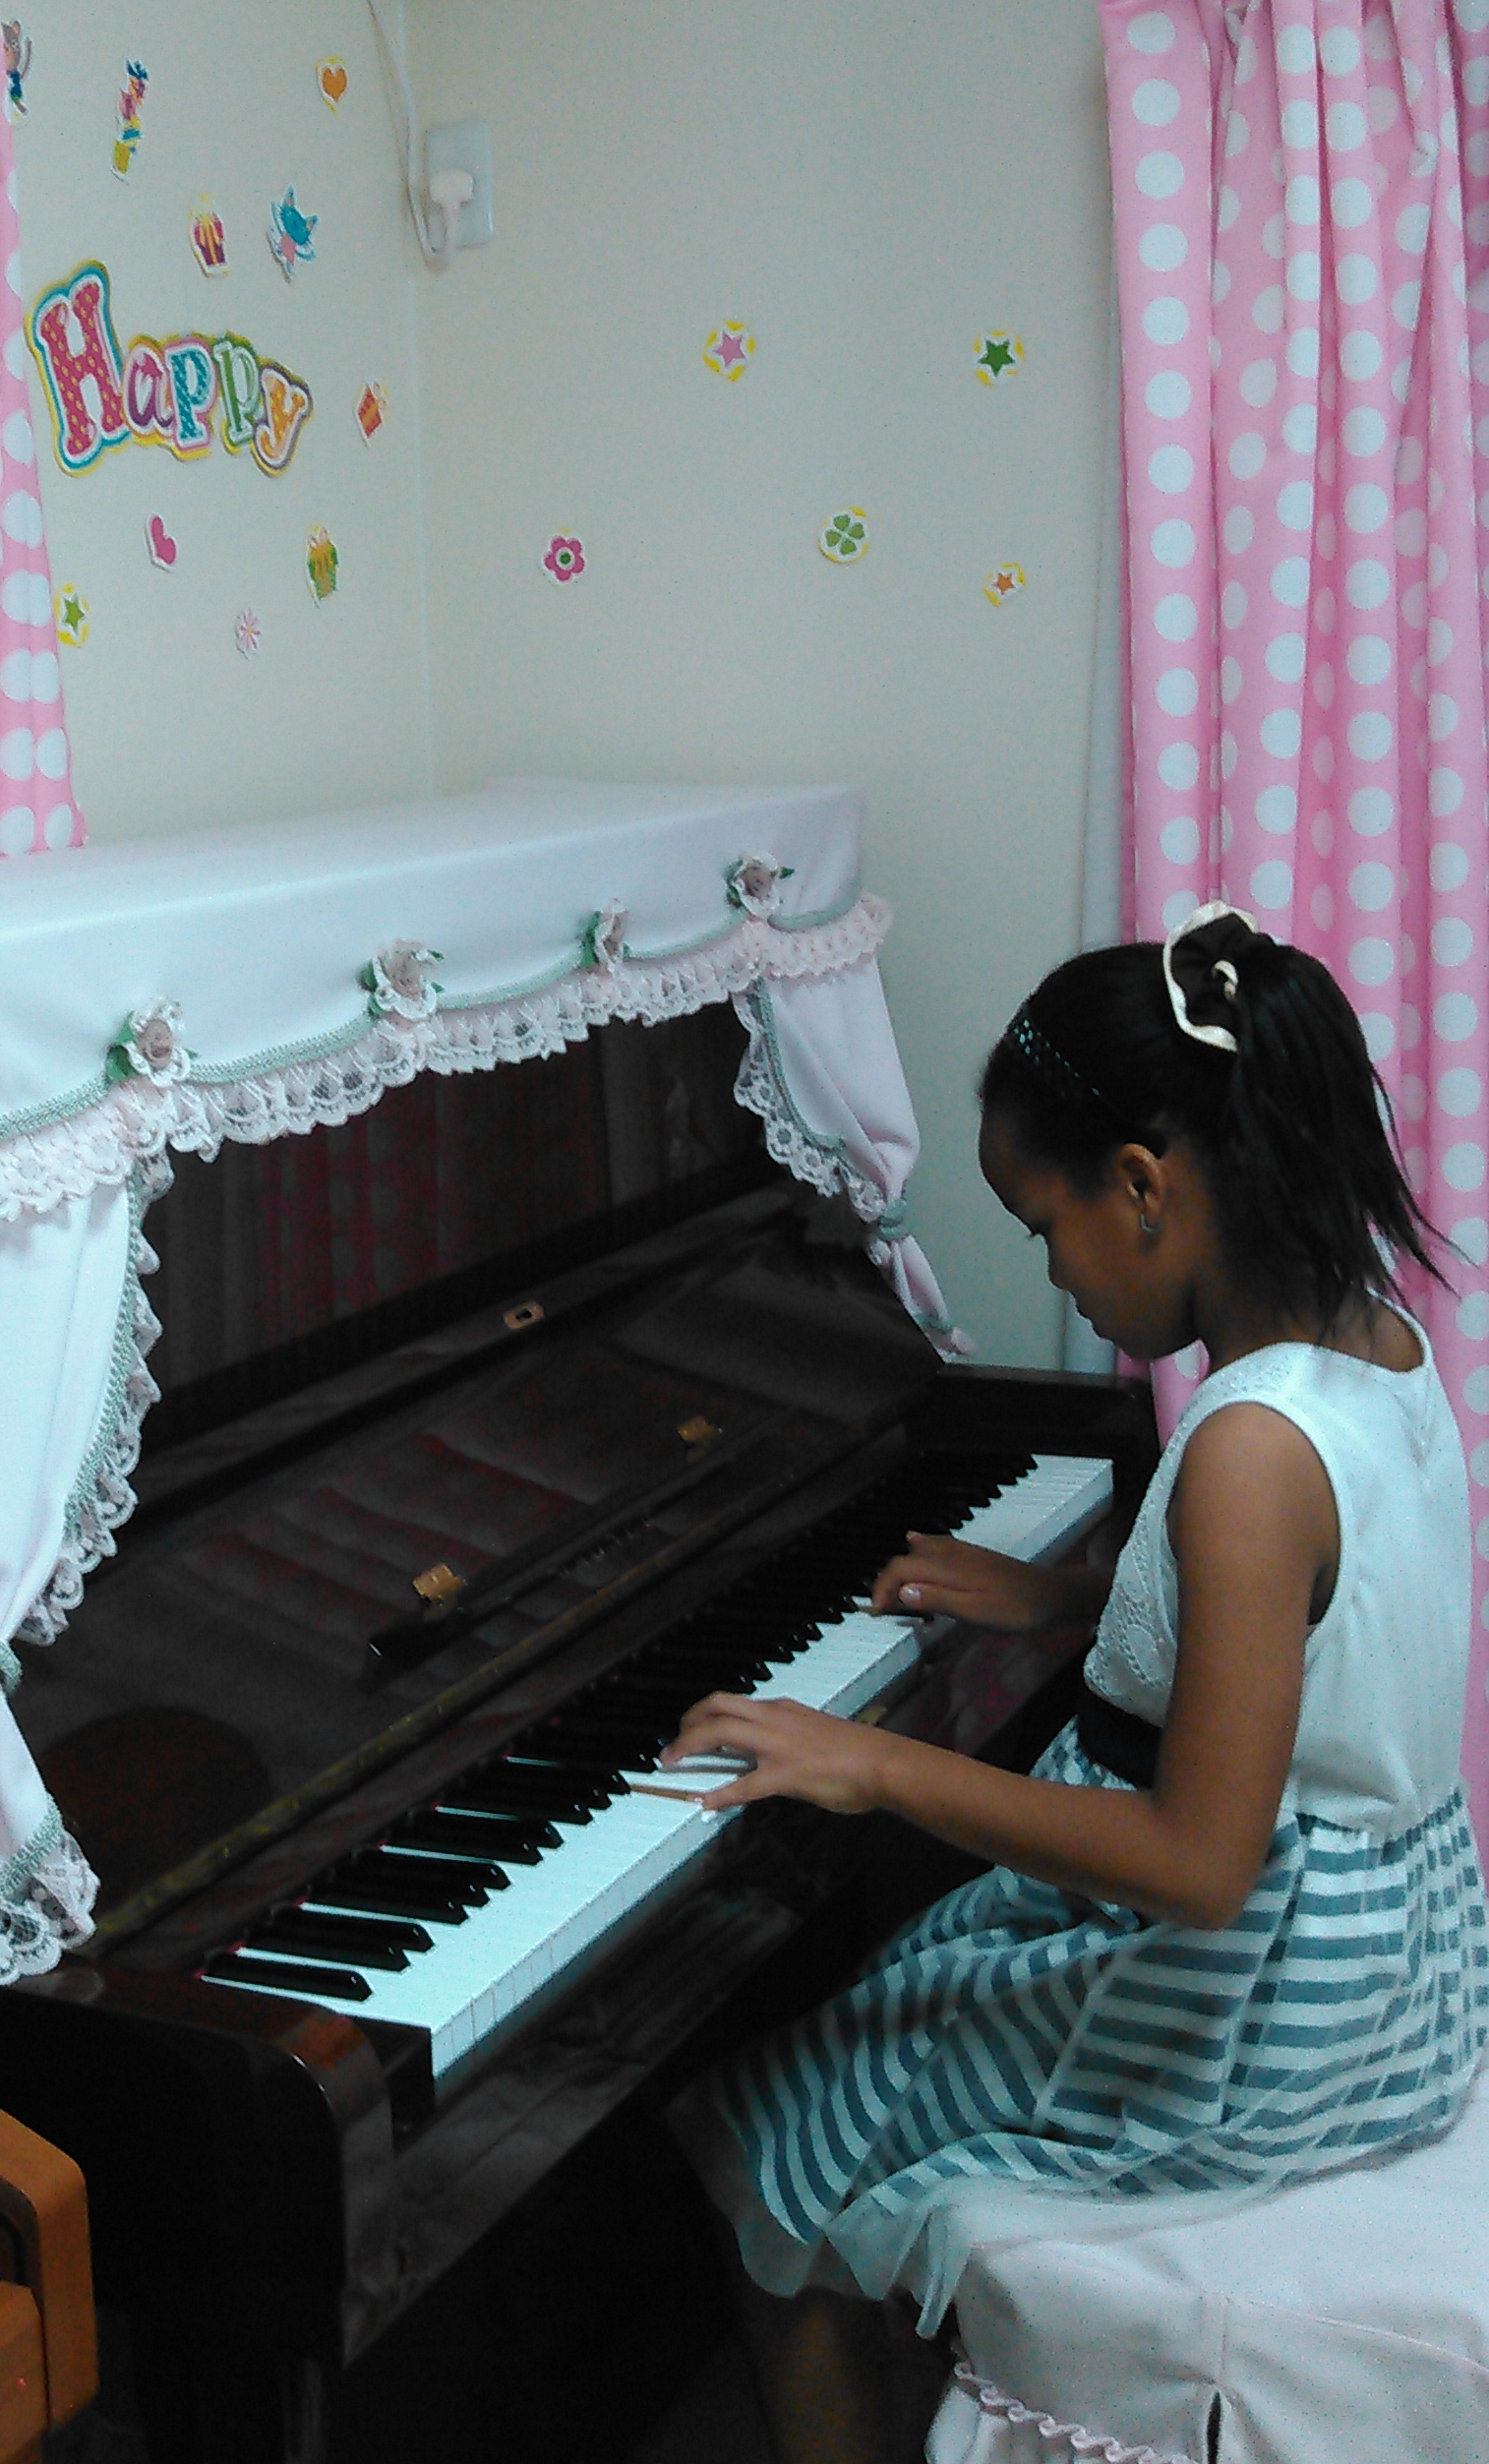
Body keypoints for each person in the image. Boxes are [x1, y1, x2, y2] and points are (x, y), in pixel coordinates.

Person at [666, 906, 1489, 2464]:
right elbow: (1314, 1622)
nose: (1056, 1271)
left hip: (1251, 2014)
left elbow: (1198, 1864)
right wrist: (1063, 1598)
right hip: (1397, 1982)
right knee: (904, 1987)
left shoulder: (1245, 1453)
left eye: (1045, 1227)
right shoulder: (1373, 1344)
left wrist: (873, 1763)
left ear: (1144, 1184)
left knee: (762, 2123)